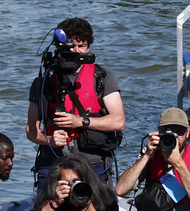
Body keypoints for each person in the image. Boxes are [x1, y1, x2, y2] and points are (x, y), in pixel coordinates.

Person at [25, 18, 127, 185]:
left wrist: (80, 121)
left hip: (91, 161)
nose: (77, 51)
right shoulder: (43, 81)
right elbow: (31, 131)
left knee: (98, 208)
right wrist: (49, 140)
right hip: (54, 160)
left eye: (82, 46)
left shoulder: (102, 78)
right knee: (45, 206)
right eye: (72, 46)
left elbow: (119, 121)